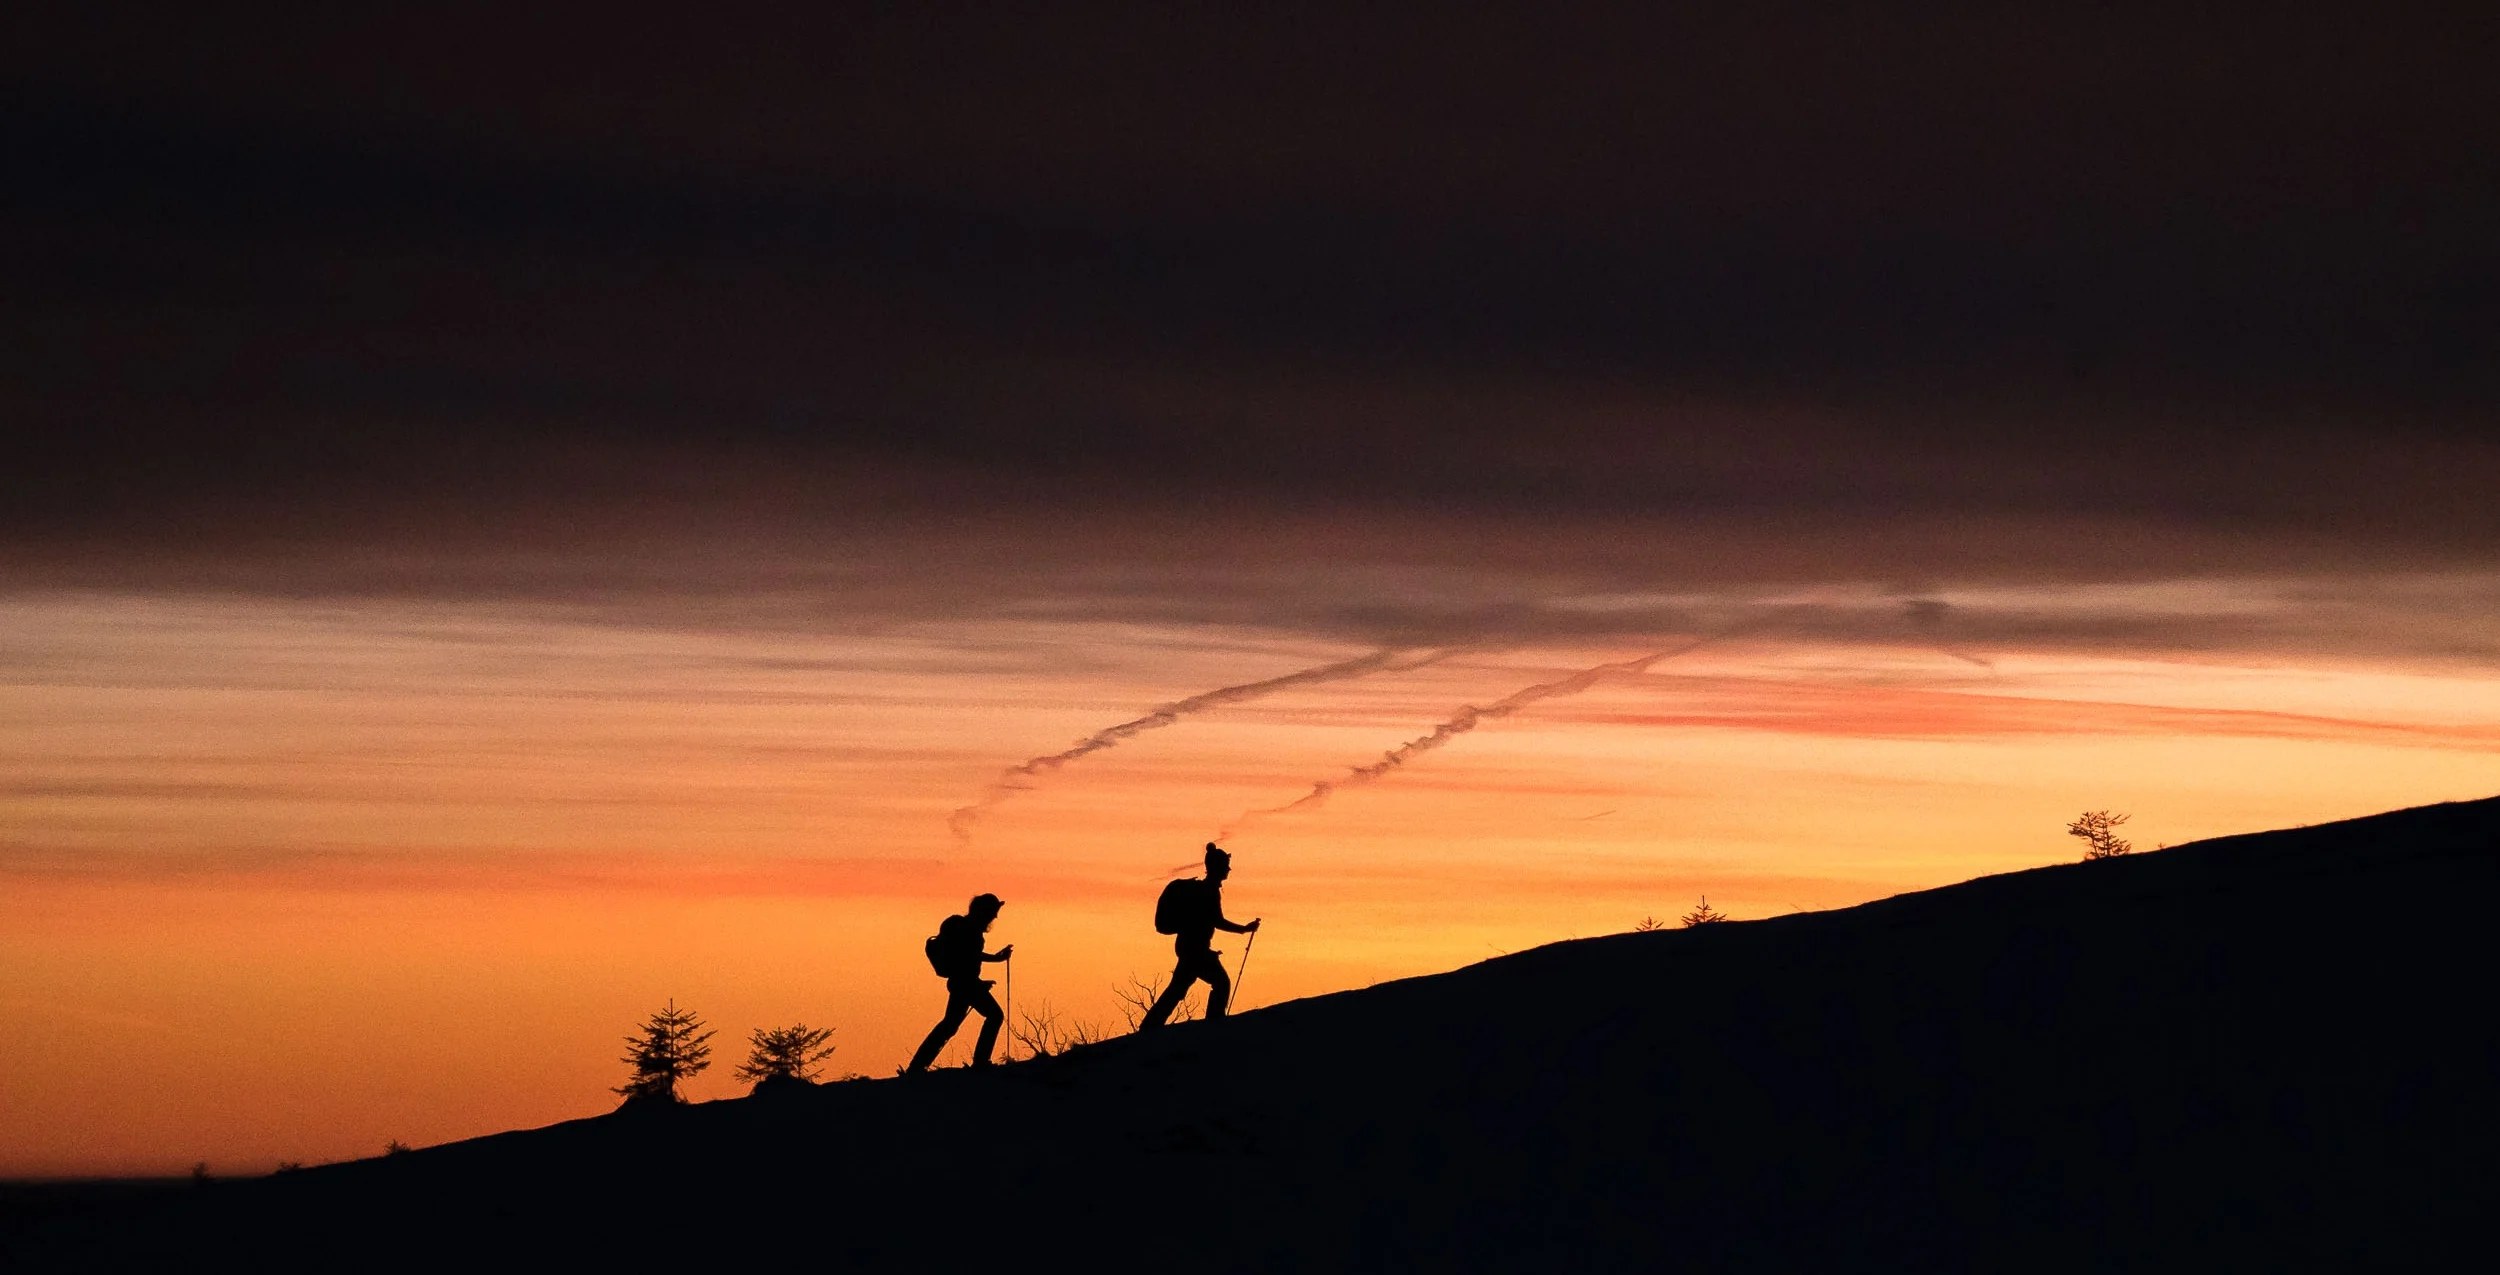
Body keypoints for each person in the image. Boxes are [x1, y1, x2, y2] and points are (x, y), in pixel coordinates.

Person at [1140, 843, 1259, 1029]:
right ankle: (1213, 1025)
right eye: (1225, 865)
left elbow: (1213, 920)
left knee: (1178, 988)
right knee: (1220, 983)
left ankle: (1150, 1026)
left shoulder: (1203, 890)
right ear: (1217, 867)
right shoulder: (1208, 891)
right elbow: (1217, 921)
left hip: (1189, 948)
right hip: (1196, 950)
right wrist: (1243, 929)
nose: (1228, 869)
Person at [905, 893, 1014, 1071]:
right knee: (994, 1016)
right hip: (966, 984)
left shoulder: (967, 928)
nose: (995, 916)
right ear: (984, 911)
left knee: (949, 1025)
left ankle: (917, 1066)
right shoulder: (969, 929)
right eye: (993, 912)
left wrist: (980, 981)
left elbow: (967, 960)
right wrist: (995, 959)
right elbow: (968, 956)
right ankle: (980, 1062)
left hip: (962, 983)